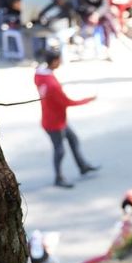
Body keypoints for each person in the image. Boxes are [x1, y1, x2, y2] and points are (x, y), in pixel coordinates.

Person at [34, 49, 100, 188]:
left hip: (53, 118)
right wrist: (88, 99)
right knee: (60, 150)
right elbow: (67, 102)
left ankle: (83, 166)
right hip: (55, 123)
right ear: (55, 61)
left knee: (73, 139)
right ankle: (58, 178)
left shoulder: (40, 75)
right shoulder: (52, 85)